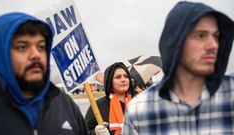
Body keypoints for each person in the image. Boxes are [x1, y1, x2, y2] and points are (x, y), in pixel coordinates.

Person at [122, 1, 234, 135]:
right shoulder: (139, 111)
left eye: (216, 36)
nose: (214, 45)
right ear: (175, 42)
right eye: (200, 35)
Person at [0, 12, 88, 135]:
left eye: (41, 47)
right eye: (22, 47)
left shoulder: (65, 104)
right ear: (1, 55)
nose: (36, 55)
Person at [85, 62, 137, 135]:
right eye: (118, 77)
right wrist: (95, 133)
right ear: (109, 81)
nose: (123, 79)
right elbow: (83, 131)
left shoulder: (140, 101)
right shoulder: (98, 106)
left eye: (126, 76)